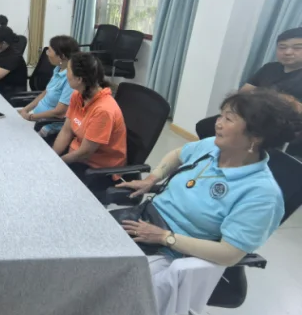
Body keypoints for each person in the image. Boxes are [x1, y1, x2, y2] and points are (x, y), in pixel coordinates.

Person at [118, 89, 302, 267]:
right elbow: (177, 154)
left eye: (228, 119)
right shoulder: (211, 146)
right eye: (220, 116)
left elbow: (229, 254)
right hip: (144, 220)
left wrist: (164, 237)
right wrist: (151, 179)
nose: (218, 123)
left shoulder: (262, 194)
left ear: (256, 136)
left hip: (174, 255)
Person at [196, 27, 302, 143]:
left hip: (280, 125)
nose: (288, 52)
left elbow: (295, 109)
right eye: (282, 47)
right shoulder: (269, 68)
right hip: (249, 116)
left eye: (297, 48)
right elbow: (244, 93)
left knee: (234, 135)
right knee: (205, 126)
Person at [52, 52, 127, 196]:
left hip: (96, 168)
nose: (66, 73)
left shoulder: (104, 110)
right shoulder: (77, 94)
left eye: (68, 70)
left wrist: (57, 162)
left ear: (79, 79)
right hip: (76, 156)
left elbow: (85, 153)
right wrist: (52, 156)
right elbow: (66, 131)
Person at [17, 35, 80, 141]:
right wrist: (25, 109)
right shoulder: (58, 69)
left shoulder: (70, 80)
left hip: (47, 125)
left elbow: (59, 112)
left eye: (49, 51)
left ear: (62, 56)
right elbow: (45, 92)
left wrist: (31, 117)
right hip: (36, 117)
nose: (47, 54)